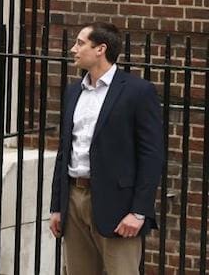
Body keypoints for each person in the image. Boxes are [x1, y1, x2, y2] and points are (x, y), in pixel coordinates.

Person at [49, 22, 164, 274]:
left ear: (100, 49)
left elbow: (152, 156)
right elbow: (64, 151)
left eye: (80, 43)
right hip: (74, 199)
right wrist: (57, 206)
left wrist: (139, 212)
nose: (73, 49)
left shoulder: (137, 91)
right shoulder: (73, 92)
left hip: (118, 206)